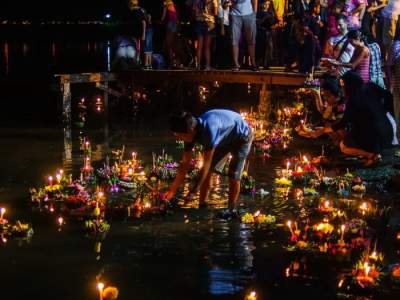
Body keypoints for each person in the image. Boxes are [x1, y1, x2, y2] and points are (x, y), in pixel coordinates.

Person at [164, 110, 253, 213]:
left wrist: (193, 191)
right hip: (224, 137)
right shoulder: (190, 134)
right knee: (208, 172)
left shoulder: (209, 131)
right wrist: (172, 190)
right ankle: (202, 205)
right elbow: (184, 164)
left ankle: (231, 210)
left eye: (179, 135)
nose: (178, 138)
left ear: (190, 129)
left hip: (242, 136)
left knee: (233, 175)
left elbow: (206, 163)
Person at [325, 71, 395, 166]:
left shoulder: (353, 99)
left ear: (349, 85)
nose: (342, 88)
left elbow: (343, 123)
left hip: (373, 138)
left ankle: (371, 155)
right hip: (388, 133)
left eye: (344, 85)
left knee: (343, 145)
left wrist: (323, 130)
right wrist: (383, 111)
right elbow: (389, 96)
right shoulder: (371, 86)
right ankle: (374, 153)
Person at [227, 0, 259, 71]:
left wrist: (254, 14)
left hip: (249, 14)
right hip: (234, 14)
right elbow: (226, 3)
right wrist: (230, 4)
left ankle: (253, 64)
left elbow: (254, 1)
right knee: (234, 40)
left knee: (251, 40)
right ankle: (236, 64)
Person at [193, 0, 218, 70]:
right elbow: (215, 13)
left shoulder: (197, 1)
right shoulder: (213, 0)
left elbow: (194, 13)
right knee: (207, 47)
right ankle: (207, 66)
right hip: (209, 23)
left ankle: (198, 66)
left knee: (199, 46)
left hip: (199, 22)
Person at [386, 29, 400, 129]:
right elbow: (389, 66)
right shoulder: (395, 46)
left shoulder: (395, 45)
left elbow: (388, 66)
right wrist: (390, 83)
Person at [161, 0, 179, 67]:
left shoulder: (166, 7)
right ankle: (174, 61)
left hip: (170, 24)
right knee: (172, 44)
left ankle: (171, 62)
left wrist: (160, 21)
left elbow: (163, 17)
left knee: (168, 45)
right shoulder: (174, 7)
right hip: (175, 25)